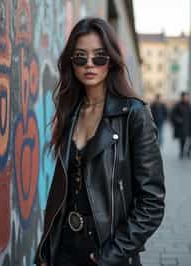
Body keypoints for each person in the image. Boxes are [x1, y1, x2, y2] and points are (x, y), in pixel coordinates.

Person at [34, 17, 165, 266]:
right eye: (81, 57)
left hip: (106, 253)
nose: (89, 64)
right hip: (64, 248)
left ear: (111, 61)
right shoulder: (70, 112)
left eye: (100, 57)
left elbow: (152, 203)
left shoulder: (134, 114)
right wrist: (46, 247)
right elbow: (61, 188)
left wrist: (110, 255)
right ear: (72, 63)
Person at [171, 91, 191, 159]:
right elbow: (173, 115)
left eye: (187, 96)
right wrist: (177, 119)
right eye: (185, 96)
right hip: (182, 126)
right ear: (182, 97)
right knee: (183, 140)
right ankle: (182, 152)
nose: (186, 98)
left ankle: (188, 151)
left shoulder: (189, 105)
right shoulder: (178, 105)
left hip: (189, 125)